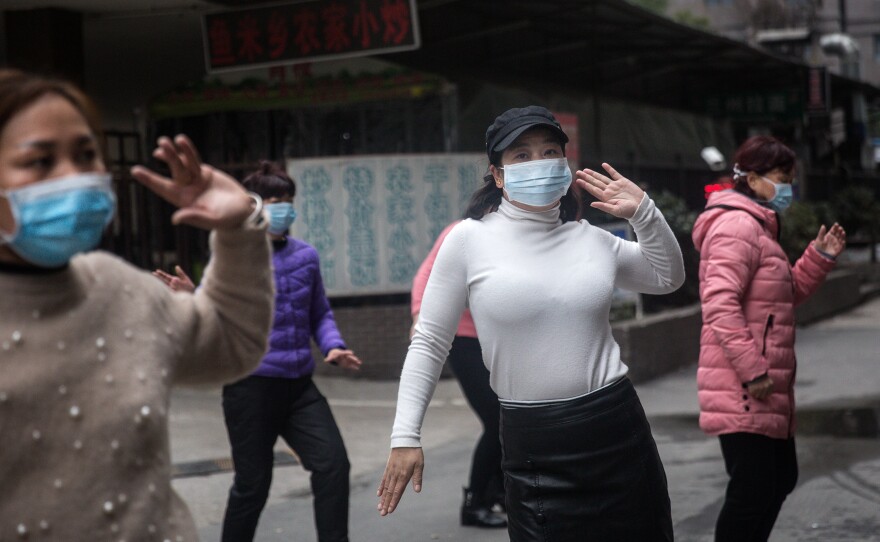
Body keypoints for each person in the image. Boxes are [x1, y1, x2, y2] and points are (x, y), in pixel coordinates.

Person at [377, 105, 685, 541]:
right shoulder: (468, 240)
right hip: (533, 446)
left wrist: (645, 214)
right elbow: (428, 342)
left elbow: (667, 277)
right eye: (521, 155)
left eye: (549, 151)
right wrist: (405, 435)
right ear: (498, 175)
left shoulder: (591, 238)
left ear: (565, 163)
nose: (538, 163)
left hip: (617, 431)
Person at [0, 69, 274, 541]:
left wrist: (238, 228)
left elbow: (233, 342)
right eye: (41, 161)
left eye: (87, 155)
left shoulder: (120, 288)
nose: (75, 176)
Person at [155, 161, 362, 542]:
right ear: (251, 206)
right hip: (250, 388)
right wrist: (192, 296)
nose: (281, 208)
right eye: (272, 200)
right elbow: (219, 314)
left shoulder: (306, 256)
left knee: (333, 465)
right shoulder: (233, 261)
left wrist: (334, 346)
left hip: (300, 388)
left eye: (286, 200)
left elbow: (320, 313)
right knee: (253, 485)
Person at [692, 135, 846, 542]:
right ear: (754, 178)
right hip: (746, 384)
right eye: (782, 177)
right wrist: (753, 371)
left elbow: (781, 295)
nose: (788, 187)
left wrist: (818, 257)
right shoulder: (735, 225)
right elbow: (719, 304)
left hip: (768, 383)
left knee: (778, 481)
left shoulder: (758, 226)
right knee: (754, 490)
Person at [411, 221, 506, 529]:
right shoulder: (462, 232)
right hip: (463, 337)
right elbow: (426, 275)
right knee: (497, 419)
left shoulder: (526, 231)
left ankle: (502, 494)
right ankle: (475, 502)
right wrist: (418, 317)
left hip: (500, 338)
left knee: (510, 416)